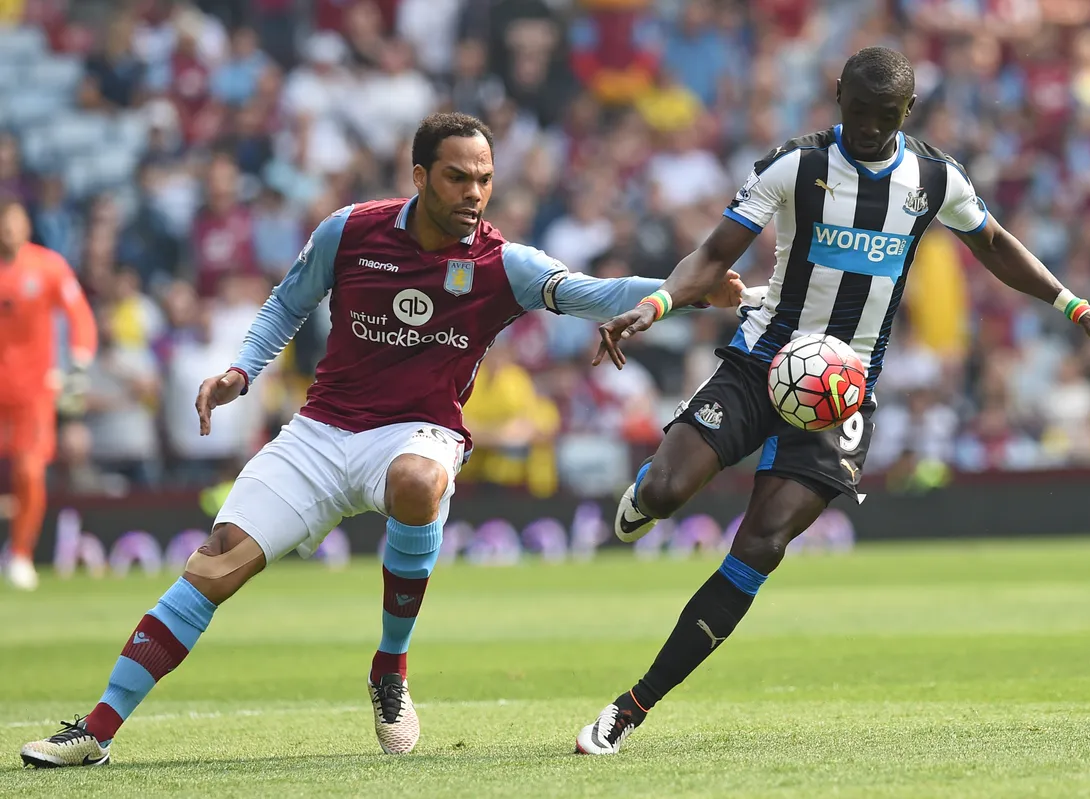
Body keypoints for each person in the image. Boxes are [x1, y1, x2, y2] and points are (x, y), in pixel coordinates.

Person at [19, 112, 747, 768]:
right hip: (319, 432)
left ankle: (389, 669)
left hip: (418, 430)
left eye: (485, 179)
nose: (474, 193)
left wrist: (688, 289)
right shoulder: (349, 230)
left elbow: (596, 292)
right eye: (458, 177)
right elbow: (286, 303)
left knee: (416, 482)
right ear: (420, 176)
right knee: (214, 567)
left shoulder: (504, 264)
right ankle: (98, 728)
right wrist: (242, 369)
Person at [575, 47, 1090, 756]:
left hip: (842, 391)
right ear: (836, 96)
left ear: (910, 110)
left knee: (763, 544)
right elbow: (714, 255)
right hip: (760, 360)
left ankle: (632, 705)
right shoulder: (795, 165)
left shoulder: (932, 178)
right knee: (666, 488)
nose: (868, 128)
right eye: (857, 112)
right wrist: (655, 303)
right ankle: (642, 501)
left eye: (884, 116)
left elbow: (992, 242)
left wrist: (1074, 307)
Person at [0, 200, 97, 591]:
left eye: (14, 223)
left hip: (33, 393)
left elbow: (80, 315)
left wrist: (79, 359)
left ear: (26, 227)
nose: (8, 231)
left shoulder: (48, 266)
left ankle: (21, 554)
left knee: (29, 471)